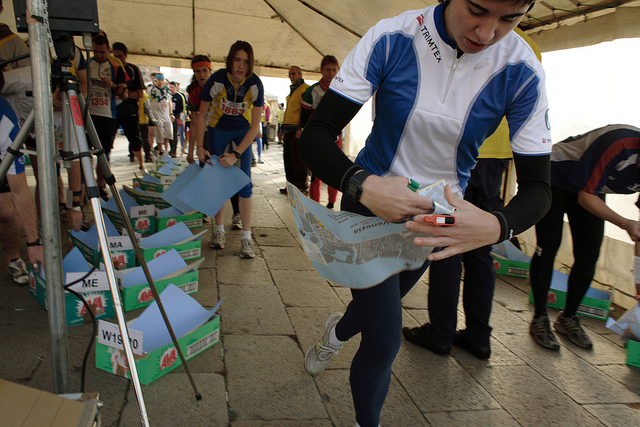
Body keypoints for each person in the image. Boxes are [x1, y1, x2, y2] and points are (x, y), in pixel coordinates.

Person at [297, 1, 552, 425]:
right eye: (477, 9)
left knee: (377, 308)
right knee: (384, 339)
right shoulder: (392, 36)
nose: (487, 32)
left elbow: (539, 187)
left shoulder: (522, 68)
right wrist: (364, 185)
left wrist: (497, 226)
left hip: (433, 223)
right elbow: (315, 137)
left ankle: (334, 333)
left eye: (510, 18)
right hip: (368, 206)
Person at [402, 28, 543, 360]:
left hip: (460, 151)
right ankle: (479, 335)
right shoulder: (529, 46)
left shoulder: (467, 31)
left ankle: (441, 332)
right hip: (498, 157)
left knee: (447, 241)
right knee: (481, 245)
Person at [529, 124, 640, 351]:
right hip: (556, 176)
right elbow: (586, 197)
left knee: (589, 254)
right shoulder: (621, 144)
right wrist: (625, 223)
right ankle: (540, 317)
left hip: (590, 187)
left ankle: (568, 317)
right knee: (548, 246)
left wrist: (639, 283)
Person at [193, 40, 264, 258]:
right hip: (218, 130)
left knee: (245, 184)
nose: (241, 66)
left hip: (243, 131)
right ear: (230, 61)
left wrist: (237, 154)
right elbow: (201, 115)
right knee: (218, 182)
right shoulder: (216, 79)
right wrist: (200, 146)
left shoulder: (255, 84)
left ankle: (246, 238)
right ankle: (219, 231)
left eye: (246, 62)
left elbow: (255, 126)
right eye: (237, 60)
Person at [0, 77, 44, 284]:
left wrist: (33, 242)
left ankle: (13, 257)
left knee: (7, 213)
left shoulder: (6, 122)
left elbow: (19, 189)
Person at [88, 34, 128, 201]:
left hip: (107, 114)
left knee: (103, 153)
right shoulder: (86, 64)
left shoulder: (115, 66)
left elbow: (124, 94)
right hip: (87, 114)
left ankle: (100, 185)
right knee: (85, 153)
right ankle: (87, 185)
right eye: (95, 51)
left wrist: (112, 85)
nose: (98, 55)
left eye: (102, 52)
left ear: (108, 50)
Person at [299, 55, 341, 210]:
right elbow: (304, 115)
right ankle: (315, 207)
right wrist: (304, 131)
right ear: (321, 70)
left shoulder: (343, 89)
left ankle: (331, 203)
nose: (331, 73)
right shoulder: (312, 90)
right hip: (316, 136)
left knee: (335, 170)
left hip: (336, 136)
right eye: (328, 70)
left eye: (334, 70)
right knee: (316, 173)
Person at [112, 42, 146, 173]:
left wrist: (126, 95)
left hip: (130, 111)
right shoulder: (110, 67)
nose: (118, 59)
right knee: (107, 142)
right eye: (115, 56)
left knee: (135, 140)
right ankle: (104, 168)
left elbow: (141, 93)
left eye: (120, 56)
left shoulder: (132, 69)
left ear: (125, 55)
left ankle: (142, 166)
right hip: (111, 112)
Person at [278, 66, 308, 194]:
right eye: (289, 74)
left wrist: (301, 127)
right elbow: (288, 112)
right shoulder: (292, 91)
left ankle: (301, 187)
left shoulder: (305, 89)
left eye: (294, 74)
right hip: (288, 130)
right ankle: (290, 187)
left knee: (298, 161)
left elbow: (306, 112)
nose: (291, 76)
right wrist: (282, 129)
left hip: (297, 130)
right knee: (288, 160)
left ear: (300, 75)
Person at [149, 73, 173, 156]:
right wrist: (151, 115)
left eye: (162, 80)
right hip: (157, 113)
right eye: (159, 80)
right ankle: (160, 151)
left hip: (166, 113)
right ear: (156, 80)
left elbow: (169, 101)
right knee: (159, 132)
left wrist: (171, 113)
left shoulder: (166, 89)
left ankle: (158, 147)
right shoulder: (151, 90)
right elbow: (148, 101)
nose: (160, 82)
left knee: (169, 133)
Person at [169, 81, 186, 157]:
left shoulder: (180, 96)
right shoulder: (168, 95)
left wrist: (181, 119)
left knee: (174, 134)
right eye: (170, 87)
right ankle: (171, 149)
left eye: (172, 87)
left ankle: (174, 151)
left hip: (176, 117)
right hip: (168, 116)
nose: (171, 89)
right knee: (169, 134)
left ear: (176, 87)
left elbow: (183, 109)